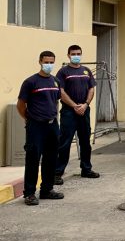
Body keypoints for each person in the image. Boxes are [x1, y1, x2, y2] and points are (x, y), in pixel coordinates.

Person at [17, 51, 64, 206]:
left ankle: (47, 190)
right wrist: (30, 119)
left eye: (52, 62)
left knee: (51, 158)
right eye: (46, 62)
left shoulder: (55, 81)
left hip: (52, 125)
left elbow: (55, 101)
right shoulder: (30, 82)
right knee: (33, 158)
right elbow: (21, 105)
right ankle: (29, 193)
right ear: (40, 62)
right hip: (36, 126)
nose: (49, 65)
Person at [55, 45, 98, 184]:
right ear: (68, 55)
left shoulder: (86, 71)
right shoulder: (63, 72)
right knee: (65, 142)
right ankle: (58, 172)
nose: (76, 55)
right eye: (73, 53)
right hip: (69, 112)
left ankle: (86, 169)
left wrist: (85, 104)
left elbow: (91, 88)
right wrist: (74, 106)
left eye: (78, 53)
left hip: (84, 110)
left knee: (85, 141)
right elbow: (60, 91)